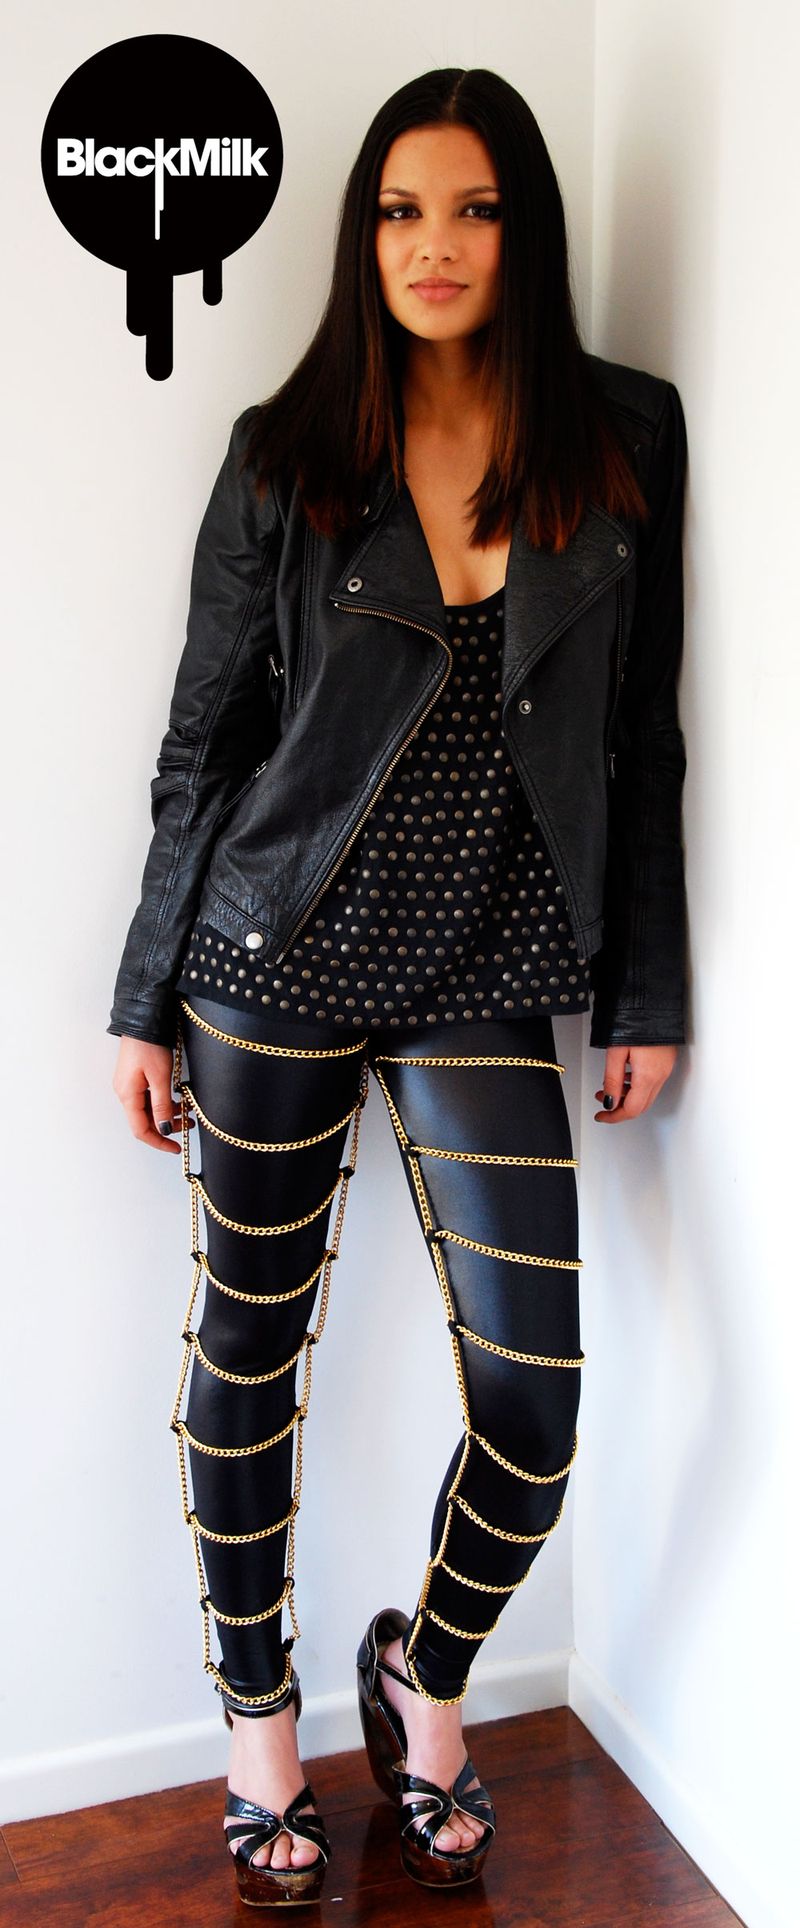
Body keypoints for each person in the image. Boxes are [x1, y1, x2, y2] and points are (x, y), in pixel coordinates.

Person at [109, 65, 688, 1907]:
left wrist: (647, 990)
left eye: (476, 210)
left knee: (536, 1399)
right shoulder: (290, 451)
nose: (435, 246)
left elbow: (644, 741)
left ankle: (423, 1682)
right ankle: (260, 1741)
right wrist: (142, 998)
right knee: (245, 1361)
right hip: (269, 960)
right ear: (364, 239)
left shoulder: (624, 437)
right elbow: (205, 746)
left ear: (527, 233)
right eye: (401, 212)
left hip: (485, 966)